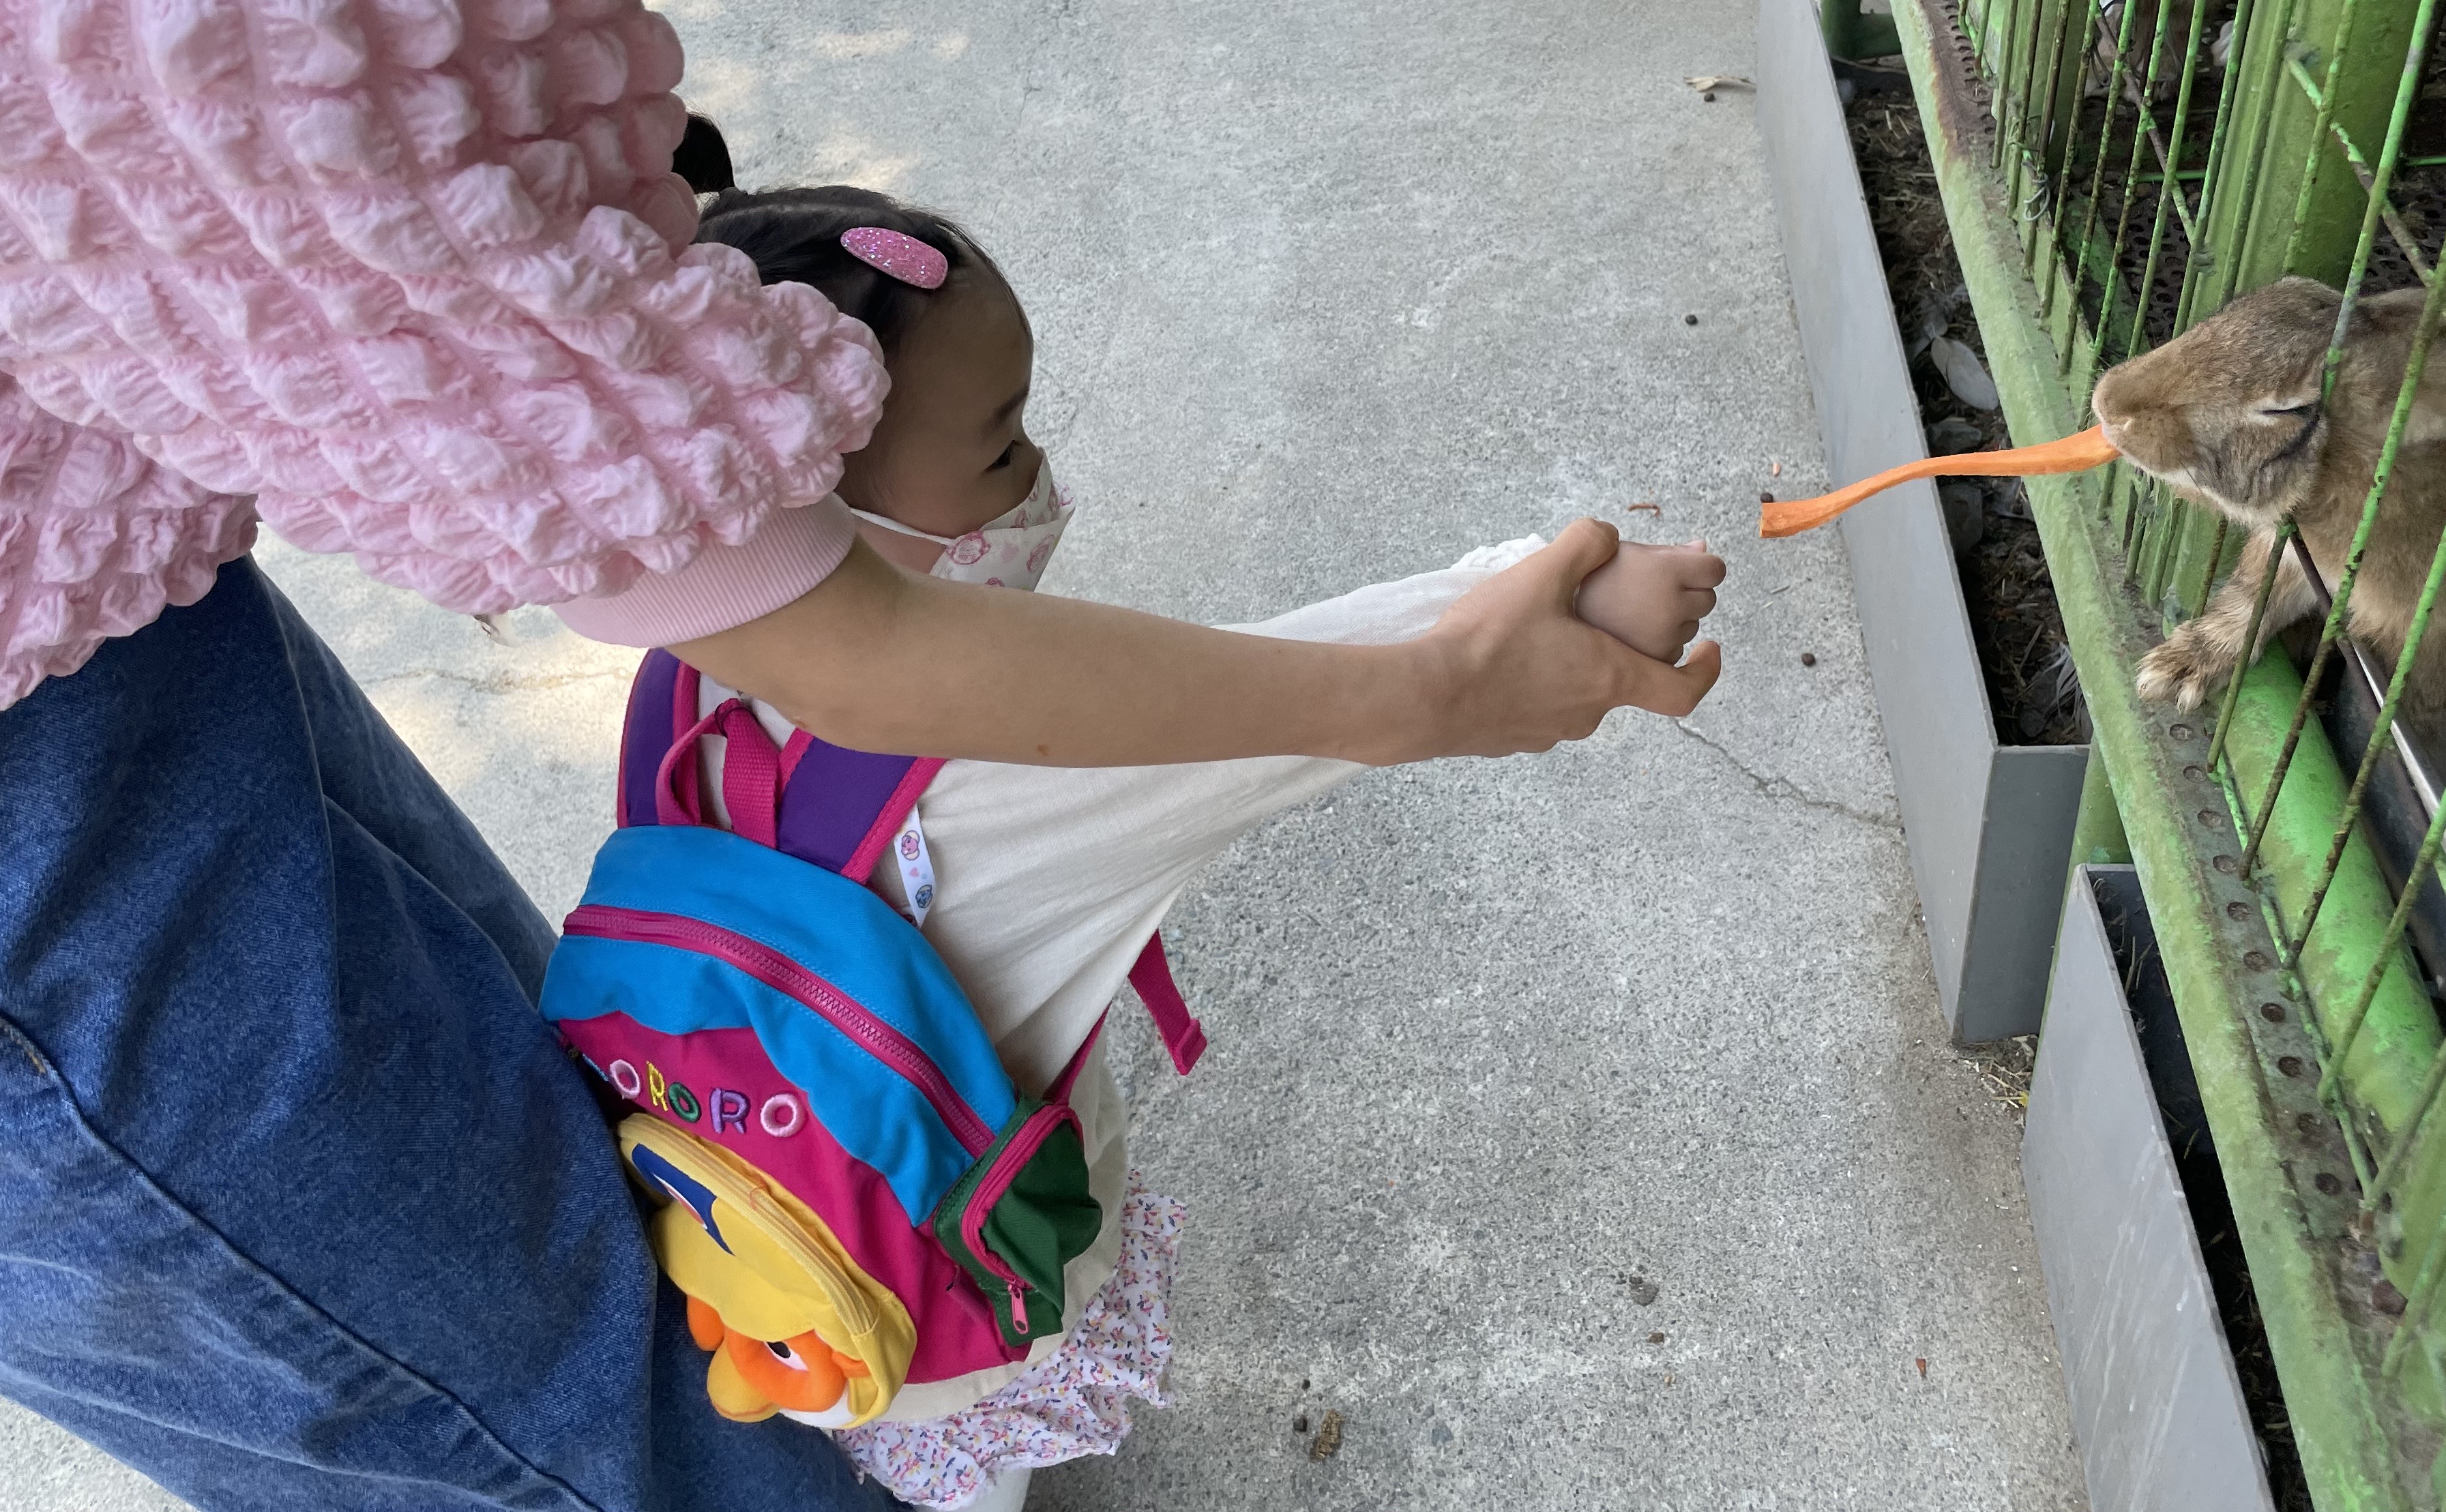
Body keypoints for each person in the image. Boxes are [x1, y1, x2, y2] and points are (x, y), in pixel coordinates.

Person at [0, 0, 1720, 1509]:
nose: (1041, 485)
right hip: (25, 811)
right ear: (808, 476)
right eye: (1004, 449)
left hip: (114, 643)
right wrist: (1462, 657)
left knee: (549, 1198)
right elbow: (992, 689)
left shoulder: (694, 706)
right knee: (559, 1427)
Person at [665, 186, 1721, 1508]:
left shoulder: (687, 674)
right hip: (947, 1302)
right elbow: (1314, 685)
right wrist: (1565, 596)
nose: (1041, 480)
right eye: (1000, 453)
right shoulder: (992, 777)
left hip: (760, 1217)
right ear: (828, 512)